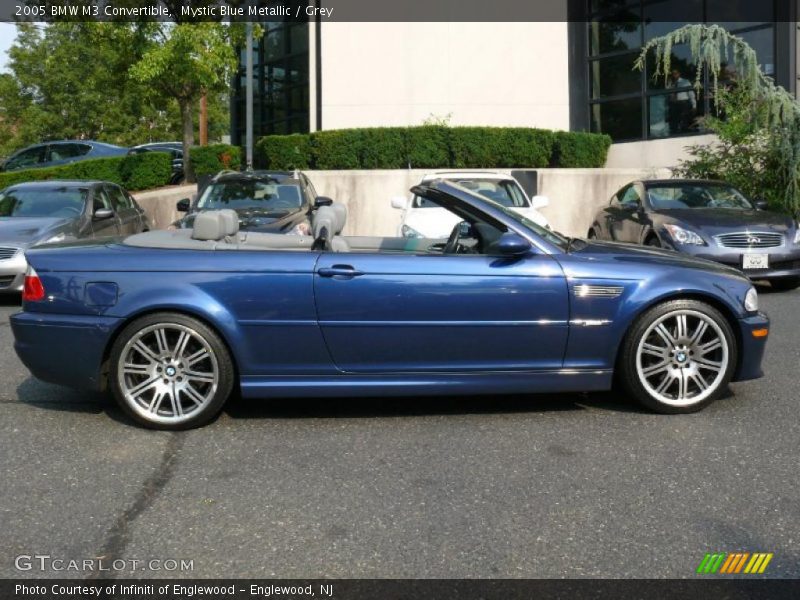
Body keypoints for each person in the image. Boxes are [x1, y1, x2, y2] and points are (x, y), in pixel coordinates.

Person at [667, 69, 697, 134]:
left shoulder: (685, 82)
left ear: (679, 73)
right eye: (673, 73)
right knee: (674, 121)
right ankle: (675, 132)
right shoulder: (670, 83)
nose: (674, 75)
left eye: (676, 73)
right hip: (674, 104)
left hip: (683, 103)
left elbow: (691, 94)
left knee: (684, 120)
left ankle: (684, 131)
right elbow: (668, 94)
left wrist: (694, 105)